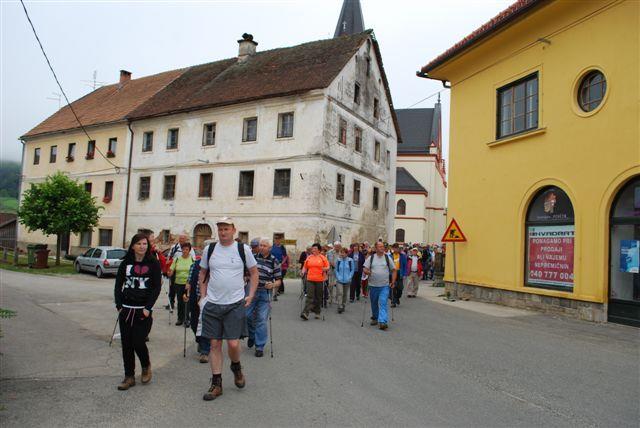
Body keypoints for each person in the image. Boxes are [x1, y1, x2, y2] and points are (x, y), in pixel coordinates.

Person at [197, 217, 258, 401]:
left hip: (235, 303)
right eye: (220, 229)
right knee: (214, 344)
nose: (223, 232)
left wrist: (251, 294)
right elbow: (202, 272)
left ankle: (236, 366)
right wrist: (203, 296)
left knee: (233, 344)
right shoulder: (210, 249)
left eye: (226, 229)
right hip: (213, 303)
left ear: (233, 230)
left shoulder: (242, 249)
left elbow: (254, 272)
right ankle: (217, 383)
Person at [114, 233, 162, 390]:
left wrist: (148, 308)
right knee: (127, 344)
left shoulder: (153, 263)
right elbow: (118, 285)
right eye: (139, 244)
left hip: (143, 310)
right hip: (126, 309)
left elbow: (156, 287)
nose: (142, 246)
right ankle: (129, 376)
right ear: (133, 246)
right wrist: (119, 305)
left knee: (138, 342)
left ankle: (146, 365)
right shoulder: (126, 263)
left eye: (145, 244)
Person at [247, 238, 282, 357]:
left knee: (261, 319)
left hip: (265, 293)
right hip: (252, 291)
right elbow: (247, 272)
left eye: (264, 246)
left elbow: (279, 280)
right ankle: (252, 335)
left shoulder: (274, 261)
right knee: (247, 315)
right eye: (260, 245)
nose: (261, 247)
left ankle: (259, 346)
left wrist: (273, 285)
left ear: (269, 248)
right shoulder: (253, 258)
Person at [363, 241, 397, 331]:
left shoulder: (387, 257)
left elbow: (394, 270)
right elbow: (365, 269)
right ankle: (375, 317)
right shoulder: (371, 258)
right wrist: (368, 272)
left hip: (384, 285)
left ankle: (382, 321)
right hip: (373, 285)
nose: (382, 248)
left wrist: (393, 281)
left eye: (383, 246)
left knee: (383, 302)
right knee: (374, 302)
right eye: (380, 246)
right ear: (375, 248)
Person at [185, 251, 209, 363]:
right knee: (194, 323)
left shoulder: (213, 266)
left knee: (205, 323)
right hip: (194, 298)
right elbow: (189, 282)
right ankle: (200, 340)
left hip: (208, 299)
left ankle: (205, 351)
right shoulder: (194, 265)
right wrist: (186, 293)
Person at [166, 234, 196, 312]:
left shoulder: (191, 250)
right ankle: (171, 302)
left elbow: (194, 260)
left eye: (183, 238)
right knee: (172, 289)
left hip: (187, 278)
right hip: (176, 271)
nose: (181, 239)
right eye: (180, 238)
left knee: (186, 299)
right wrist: (169, 270)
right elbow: (170, 256)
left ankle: (186, 315)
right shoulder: (174, 247)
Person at [167, 242, 195, 326]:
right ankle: (180, 318)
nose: (185, 251)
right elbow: (172, 269)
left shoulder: (192, 260)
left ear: (189, 250)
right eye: (183, 249)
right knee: (180, 302)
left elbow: (194, 272)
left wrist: (190, 283)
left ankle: (187, 319)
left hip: (188, 284)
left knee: (187, 301)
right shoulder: (177, 259)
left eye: (187, 249)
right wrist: (170, 273)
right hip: (178, 283)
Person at [300, 243, 329, 320]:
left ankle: (317, 312)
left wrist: (325, 269)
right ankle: (305, 313)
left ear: (319, 250)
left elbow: (327, 266)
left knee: (318, 297)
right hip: (310, 279)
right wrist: (302, 272)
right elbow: (305, 267)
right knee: (309, 296)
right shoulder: (309, 257)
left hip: (320, 279)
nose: (313, 250)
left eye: (315, 248)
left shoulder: (322, 258)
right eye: (313, 248)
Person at [334, 247, 355, 313]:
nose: (342, 254)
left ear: (346, 253)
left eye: (343, 253)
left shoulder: (350, 260)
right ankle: (339, 306)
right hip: (339, 280)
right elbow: (336, 270)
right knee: (340, 293)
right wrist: (338, 277)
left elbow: (352, 270)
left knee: (345, 294)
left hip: (347, 280)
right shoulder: (338, 260)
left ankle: (343, 305)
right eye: (341, 253)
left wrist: (349, 277)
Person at [391, 244, 407, 308]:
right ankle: (393, 302)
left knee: (400, 288)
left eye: (396, 248)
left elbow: (405, 266)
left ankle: (397, 297)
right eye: (394, 248)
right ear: (392, 249)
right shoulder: (390, 256)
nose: (395, 249)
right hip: (392, 273)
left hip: (400, 273)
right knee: (393, 288)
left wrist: (404, 274)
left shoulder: (402, 256)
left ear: (398, 248)